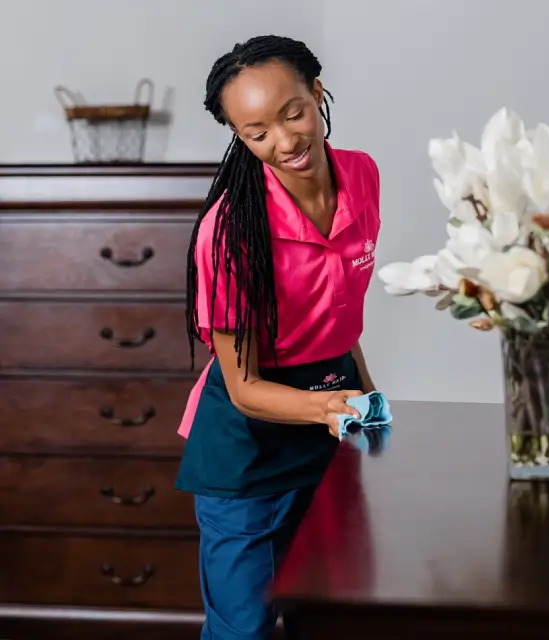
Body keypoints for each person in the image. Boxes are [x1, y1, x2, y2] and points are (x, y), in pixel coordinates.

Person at [175, 34, 381, 640]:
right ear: (238, 135)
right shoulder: (233, 231)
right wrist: (337, 410)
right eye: (257, 131)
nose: (285, 141)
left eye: (293, 113)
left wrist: (371, 415)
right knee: (245, 631)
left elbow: (341, 322)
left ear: (317, 93)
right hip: (250, 448)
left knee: (339, 613)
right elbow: (243, 388)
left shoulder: (362, 176)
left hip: (335, 415)